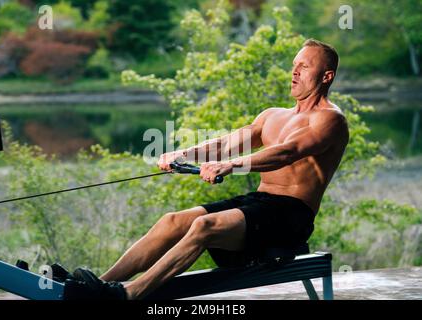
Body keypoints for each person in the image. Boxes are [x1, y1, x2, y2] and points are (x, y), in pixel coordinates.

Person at [63, 39, 349, 300]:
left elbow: (289, 151)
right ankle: (98, 287)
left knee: (204, 226)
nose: (295, 72)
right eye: (294, 66)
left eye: (304, 66)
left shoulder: (330, 120)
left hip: (290, 216)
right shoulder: (273, 115)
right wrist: (183, 153)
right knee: (172, 221)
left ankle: (128, 294)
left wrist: (232, 165)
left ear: (326, 76)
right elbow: (226, 144)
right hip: (259, 204)